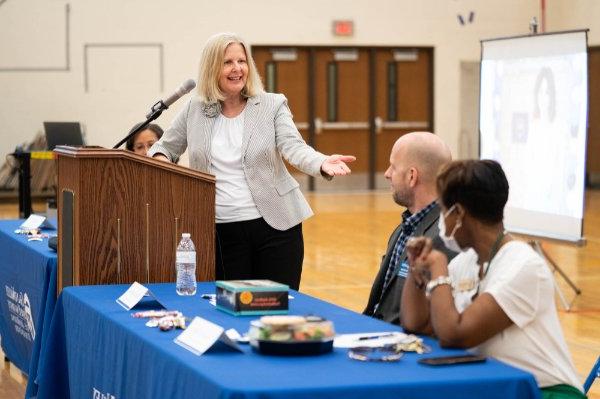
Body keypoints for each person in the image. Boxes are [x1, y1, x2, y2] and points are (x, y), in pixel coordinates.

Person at [147, 32, 355, 290]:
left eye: (242, 61)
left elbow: (293, 146)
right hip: (221, 231)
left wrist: (321, 162)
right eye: (227, 63)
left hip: (276, 227)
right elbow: (164, 147)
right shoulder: (195, 109)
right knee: (232, 308)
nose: (237, 69)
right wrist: (159, 161)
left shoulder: (272, 104)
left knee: (277, 309)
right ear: (212, 68)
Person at [402, 160, 585, 398]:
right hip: (497, 386)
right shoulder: (464, 262)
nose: (441, 220)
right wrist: (416, 271)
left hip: (544, 391)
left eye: (443, 209)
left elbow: (454, 335)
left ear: (458, 214)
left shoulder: (524, 266)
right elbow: (416, 324)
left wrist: (438, 269)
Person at [363, 132, 455, 325]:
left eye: (393, 167)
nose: (387, 174)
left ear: (412, 176)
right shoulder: (403, 227)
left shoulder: (443, 238)